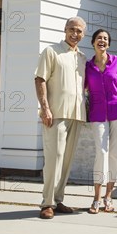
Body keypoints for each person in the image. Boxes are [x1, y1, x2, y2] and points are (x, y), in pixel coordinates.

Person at [34, 16, 88, 219]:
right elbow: (40, 79)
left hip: (76, 115)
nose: (75, 34)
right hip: (55, 115)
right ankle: (46, 203)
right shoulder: (51, 52)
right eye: (72, 29)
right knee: (53, 159)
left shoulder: (82, 58)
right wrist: (45, 108)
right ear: (65, 30)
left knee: (66, 161)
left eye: (79, 31)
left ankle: (58, 200)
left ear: (83, 34)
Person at [85, 28, 117, 214]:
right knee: (101, 153)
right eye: (99, 38)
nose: (102, 41)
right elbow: (81, 88)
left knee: (116, 154)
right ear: (93, 43)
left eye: (105, 39)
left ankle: (109, 196)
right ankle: (96, 197)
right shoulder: (88, 66)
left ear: (109, 44)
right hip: (97, 114)